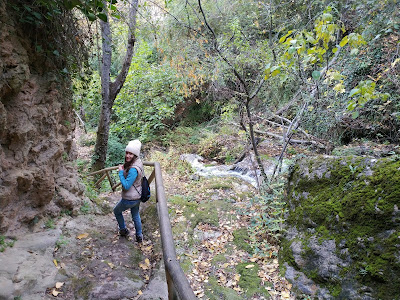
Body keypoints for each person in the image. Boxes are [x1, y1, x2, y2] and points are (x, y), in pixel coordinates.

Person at [113, 139, 144, 243]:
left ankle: (123, 230)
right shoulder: (138, 162)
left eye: (131, 154)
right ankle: (139, 235)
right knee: (135, 214)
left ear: (135, 155)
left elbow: (126, 185)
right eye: (127, 153)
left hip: (130, 198)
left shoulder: (134, 169)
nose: (128, 156)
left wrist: (121, 172)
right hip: (137, 196)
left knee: (116, 211)